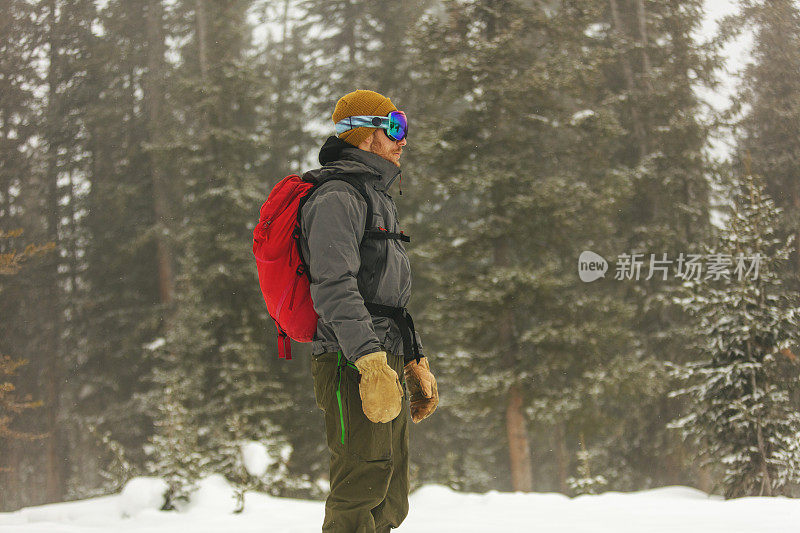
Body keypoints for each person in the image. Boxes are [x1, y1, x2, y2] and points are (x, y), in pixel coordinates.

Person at [298, 89, 439, 532]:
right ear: (364, 135)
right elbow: (334, 286)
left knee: (390, 487)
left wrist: (412, 359)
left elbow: (387, 296)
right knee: (361, 483)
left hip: (383, 355)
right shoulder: (338, 196)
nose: (403, 138)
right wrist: (368, 360)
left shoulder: (377, 196)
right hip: (350, 359)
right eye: (394, 127)